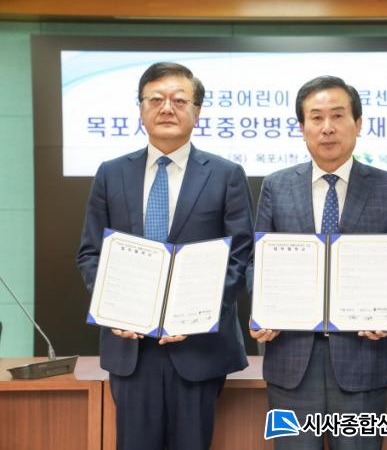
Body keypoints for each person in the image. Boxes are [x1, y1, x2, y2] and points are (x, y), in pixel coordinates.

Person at [77, 62, 254, 450]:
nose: (167, 108)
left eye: (179, 100)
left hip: (199, 348)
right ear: (140, 109)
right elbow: (91, 253)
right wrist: (113, 307)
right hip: (131, 348)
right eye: (155, 99)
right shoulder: (111, 173)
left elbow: (240, 257)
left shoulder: (226, 174)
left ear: (197, 111)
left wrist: (200, 314)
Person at [250, 75, 387, 449]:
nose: (327, 127)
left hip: (363, 362)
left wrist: (386, 309)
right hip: (291, 364)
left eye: (338, 116)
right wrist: (263, 309)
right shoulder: (276, 186)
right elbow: (255, 265)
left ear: (358, 123)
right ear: (302, 128)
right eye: (316, 117)